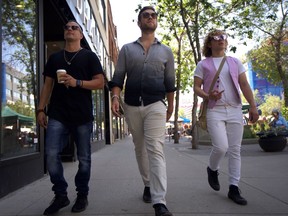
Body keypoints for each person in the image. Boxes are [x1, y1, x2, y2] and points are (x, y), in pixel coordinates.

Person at [109, 6, 175, 216]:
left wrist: (171, 105)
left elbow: (170, 82)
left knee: (155, 148)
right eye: (145, 15)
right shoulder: (127, 49)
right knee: (140, 147)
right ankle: (147, 184)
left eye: (153, 15)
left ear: (156, 21)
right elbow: (118, 77)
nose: (150, 18)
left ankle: (159, 201)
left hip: (156, 104)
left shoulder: (166, 51)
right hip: (132, 105)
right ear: (139, 22)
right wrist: (115, 97)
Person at [37, 20, 104, 215]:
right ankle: (60, 195)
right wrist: (41, 109)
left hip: (82, 115)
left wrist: (77, 82)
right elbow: (47, 85)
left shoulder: (89, 57)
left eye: (74, 27)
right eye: (66, 27)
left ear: (81, 35)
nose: (70, 29)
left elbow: (100, 83)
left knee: (84, 158)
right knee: (51, 154)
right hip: (57, 114)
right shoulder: (55, 58)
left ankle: (82, 194)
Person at [193, 29, 259, 205]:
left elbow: (244, 84)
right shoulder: (203, 64)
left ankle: (234, 187)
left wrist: (253, 106)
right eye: (216, 37)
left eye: (223, 37)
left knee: (235, 150)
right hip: (215, 110)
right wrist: (208, 96)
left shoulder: (235, 62)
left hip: (235, 109)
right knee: (221, 147)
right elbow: (196, 88)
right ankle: (212, 169)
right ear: (209, 43)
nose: (221, 40)